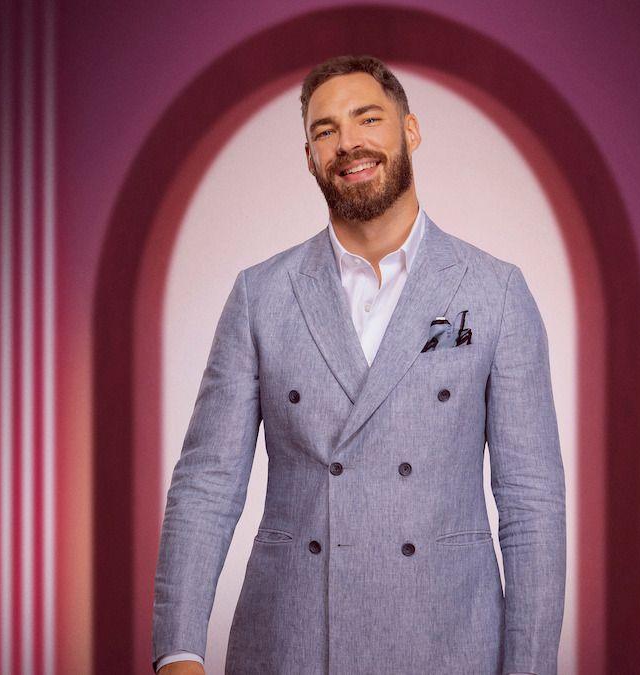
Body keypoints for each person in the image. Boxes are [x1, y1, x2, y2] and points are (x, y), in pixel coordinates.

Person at [151, 54, 566, 674]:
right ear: (310, 156)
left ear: (410, 130)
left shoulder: (495, 292)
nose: (348, 143)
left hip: (448, 643)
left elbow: (531, 503)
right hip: (288, 643)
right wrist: (178, 651)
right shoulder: (260, 294)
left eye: (367, 118)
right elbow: (207, 483)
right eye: (324, 131)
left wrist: (529, 668)